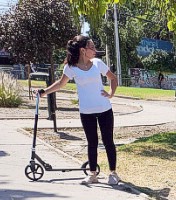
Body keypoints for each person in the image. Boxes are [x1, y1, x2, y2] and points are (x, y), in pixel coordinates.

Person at [38, 35, 120, 185]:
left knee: (108, 141)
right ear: (83, 50)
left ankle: (113, 173)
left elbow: (113, 78)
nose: (95, 50)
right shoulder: (71, 67)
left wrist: (111, 94)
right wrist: (44, 92)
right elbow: (60, 84)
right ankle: (92, 174)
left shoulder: (97, 63)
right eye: (92, 47)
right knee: (92, 142)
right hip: (86, 111)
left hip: (104, 109)